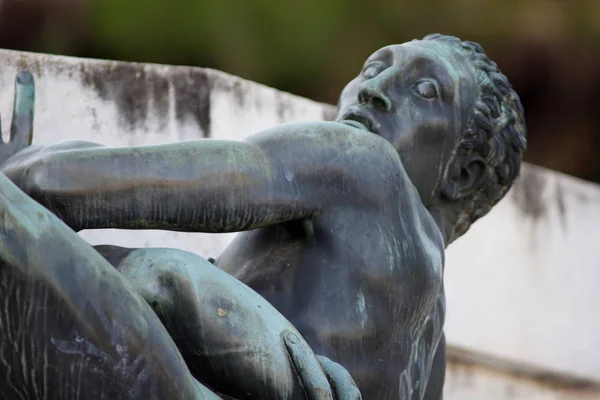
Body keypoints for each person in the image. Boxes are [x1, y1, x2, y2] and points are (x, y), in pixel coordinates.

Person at [1, 33, 526, 399]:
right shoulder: (428, 354)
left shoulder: (362, 162)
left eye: (424, 90)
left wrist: (19, 168)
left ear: (463, 175)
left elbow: (65, 184)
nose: (372, 89)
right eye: (373, 68)